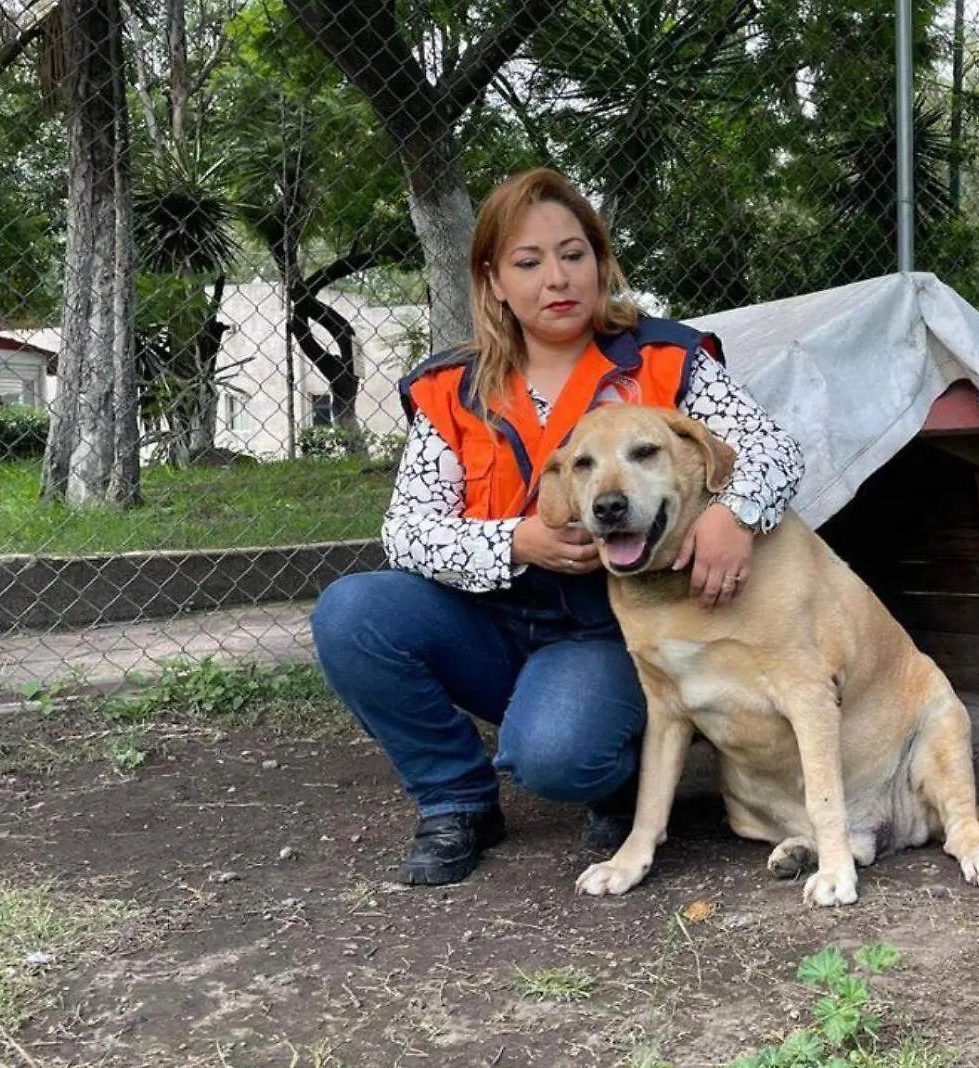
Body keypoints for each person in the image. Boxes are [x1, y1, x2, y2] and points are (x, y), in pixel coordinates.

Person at [309, 168, 805, 887]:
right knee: (353, 613)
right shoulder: (454, 386)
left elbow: (771, 449)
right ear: (493, 281)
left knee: (558, 756)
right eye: (528, 262)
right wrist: (516, 540)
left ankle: (615, 768)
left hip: (612, 629)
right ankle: (456, 799)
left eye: (574, 254)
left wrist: (735, 513)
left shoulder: (665, 360)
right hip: (492, 618)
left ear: (601, 261)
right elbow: (408, 530)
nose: (557, 279)